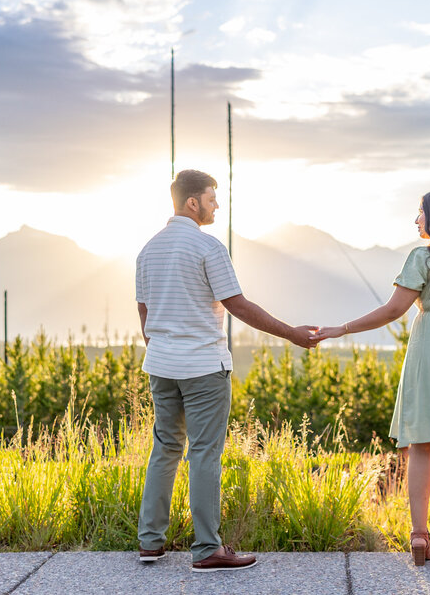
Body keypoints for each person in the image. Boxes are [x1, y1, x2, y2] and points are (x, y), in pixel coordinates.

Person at [135, 169, 318, 572]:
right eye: (212, 198)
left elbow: (145, 313)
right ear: (192, 203)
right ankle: (207, 550)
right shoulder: (208, 247)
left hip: (161, 367)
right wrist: (292, 334)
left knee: (165, 447)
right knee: (204, 453)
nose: (217, 205)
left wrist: (165, 351)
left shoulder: (147, 251)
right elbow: (238, 305)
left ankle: (150, 541)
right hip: (203, 367)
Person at [313, 188, 430, 571]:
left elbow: (393, 310)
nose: (416, 220)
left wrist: (340, 329)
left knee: (422, 444)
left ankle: (419, 535)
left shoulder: (422, 258)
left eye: (420, 213)